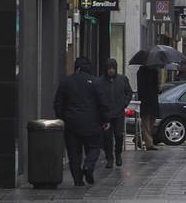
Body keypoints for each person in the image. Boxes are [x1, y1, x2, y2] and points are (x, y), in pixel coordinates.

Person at [53, 56, 110, 186]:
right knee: (94, 147)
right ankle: (88, 166)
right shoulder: (95, 82)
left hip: (71, 123)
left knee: (74, 153)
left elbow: (58, 102)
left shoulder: (66, 82)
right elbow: (103, 103)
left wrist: (61, 117)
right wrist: (105, 119)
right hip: (92, 122)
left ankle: (78, 180)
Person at [99, 59, 133, 170]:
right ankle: (109, 158)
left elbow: (129, 93)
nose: (111, 71)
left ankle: (118, 154)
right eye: (109, 69)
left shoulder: (122, 80)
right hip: (106, 115)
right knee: (107, 137)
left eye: (113, 68)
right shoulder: (100, 81)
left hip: (118, 113)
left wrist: (124, 103)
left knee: (119, 135)